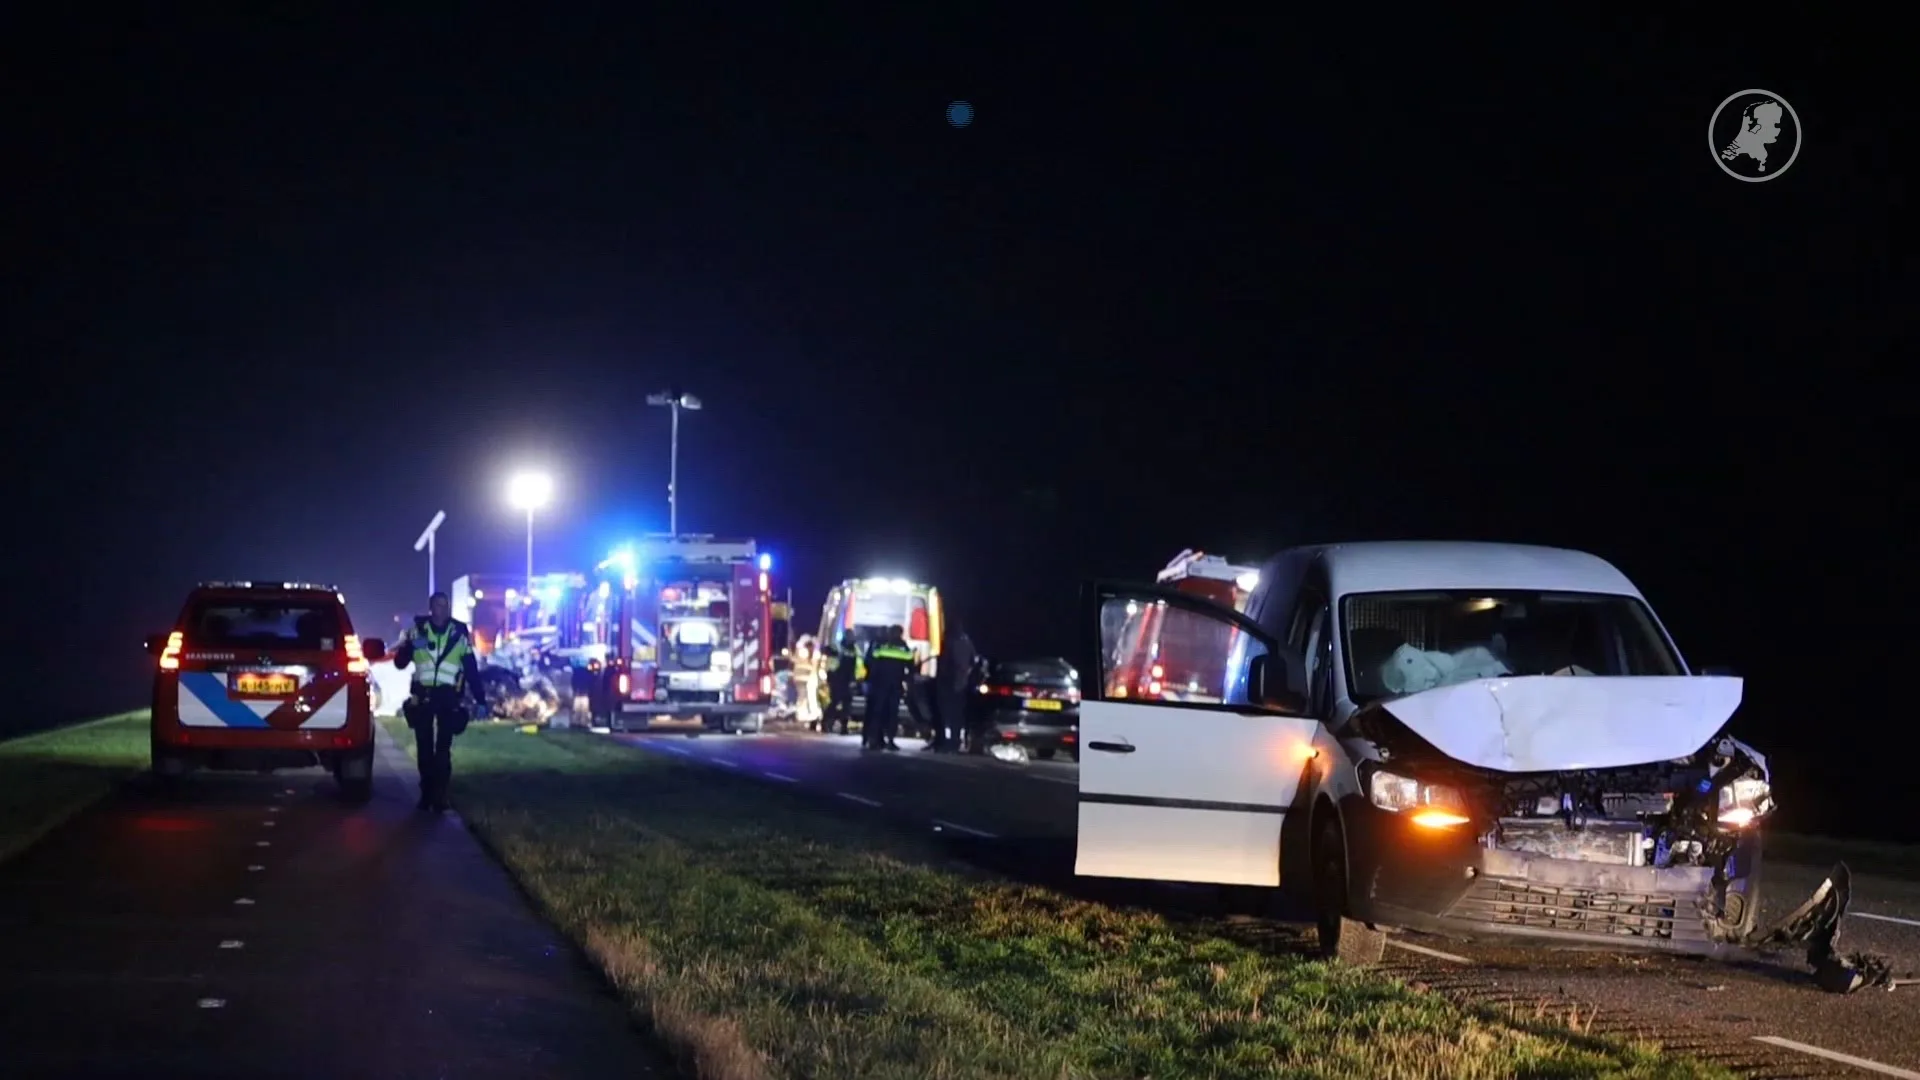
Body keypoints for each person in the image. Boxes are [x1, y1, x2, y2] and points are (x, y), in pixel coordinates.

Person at [391, 591, 482, 812]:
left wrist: (480, 698)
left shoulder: (458, 634)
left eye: (445, 605)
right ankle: (426, 793)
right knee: (424, 748)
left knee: (443, 749)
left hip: (448, 696)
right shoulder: (417, 632)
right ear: (431, 608)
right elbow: (400, 663)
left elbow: (470, 668)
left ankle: (440, 795)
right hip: (423, 695)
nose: (442, 610)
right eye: (438, 605)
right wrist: (409, 646)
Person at [862, 625, 915, 752]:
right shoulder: (903, 646)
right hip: (895, 684)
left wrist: (871, 679)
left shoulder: (882, 645)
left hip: (880, 684)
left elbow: (872, 661)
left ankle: (874, 740)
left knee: (878, 712)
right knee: (892, 713)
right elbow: (910, 662)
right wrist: (908, 678)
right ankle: (889, 740)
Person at [931, 621, 976, 753]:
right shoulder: (967, 642)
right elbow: (973, 661)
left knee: (946, 712)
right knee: (956, 714)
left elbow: (945, 662)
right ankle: (954, 741)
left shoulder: (950, 642)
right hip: (961, 683)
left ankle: (946, 741)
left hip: (950, 682)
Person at [822, 631, 857, 735]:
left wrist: (853, 679)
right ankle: (826, 723)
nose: (852, 638)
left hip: (846, 681)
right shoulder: (838, 646)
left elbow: (853, 666)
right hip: (836, 679)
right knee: (834, 703)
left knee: (846, 705)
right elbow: (826, 650)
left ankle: (843, 727)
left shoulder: (853, 649)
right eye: (850, 636)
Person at [792, 635, 823, 729]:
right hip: (806, 678)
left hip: (803, 678)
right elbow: (814, 665)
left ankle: (804, 714)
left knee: (804, 697)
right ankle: (806, 714)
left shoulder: (802, 652)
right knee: (806, 697)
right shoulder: (806, 653)